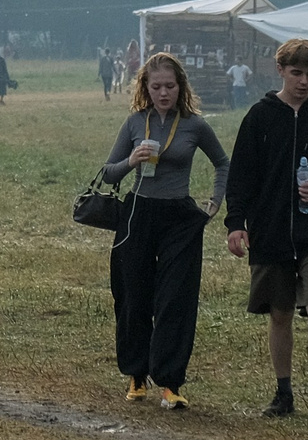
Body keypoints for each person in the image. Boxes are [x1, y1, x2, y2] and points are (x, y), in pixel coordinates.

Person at [225, 38, 308, 419]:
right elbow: (241, 177)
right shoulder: (259, 116)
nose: (304, 81)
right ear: (279, 70)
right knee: (280, 313)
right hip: (270, 232)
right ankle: (283, 393)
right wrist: (237, 224)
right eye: (296, 73)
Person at [99, 54, 230, 410]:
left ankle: (170, 383)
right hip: (138, 213)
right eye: (155, 87)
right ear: (145, 87)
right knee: (133, 295)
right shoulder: (133, 123)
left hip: (180, 217)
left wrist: (215, 202)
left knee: (176, 299)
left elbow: (222, 163)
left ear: (181, 87)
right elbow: (108, 173)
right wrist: (131, 161)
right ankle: (136, 375)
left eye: (170, 86)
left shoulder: (195, 125)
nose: (163, 93)